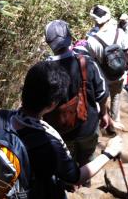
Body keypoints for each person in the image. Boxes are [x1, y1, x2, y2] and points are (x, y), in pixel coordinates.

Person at [0, 61, 122, 199]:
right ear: (52, 104)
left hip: (6, 189)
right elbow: (76, 177)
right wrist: (108, 153)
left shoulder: (1, 118)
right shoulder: (48, 143)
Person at [42, 20, 109, 170]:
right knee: (87, 162)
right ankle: (86, 185)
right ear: (70, 37)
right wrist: (104, 114)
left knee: (66, 166)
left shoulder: (43, 70)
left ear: (48, 42)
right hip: (88, 126)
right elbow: (102, 93)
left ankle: (70, 188)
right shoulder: (87, 63)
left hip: (59, 131)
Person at [86, 5, 128, 131]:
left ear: (95, 20)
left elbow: (93, 61)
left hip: (104, 76)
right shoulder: (120, 32)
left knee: (104, 96)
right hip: (120, 73)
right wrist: (126, 65)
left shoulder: (91, 40)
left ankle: (105, 120)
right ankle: (116, 120)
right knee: (116, 95)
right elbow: (127, 51)